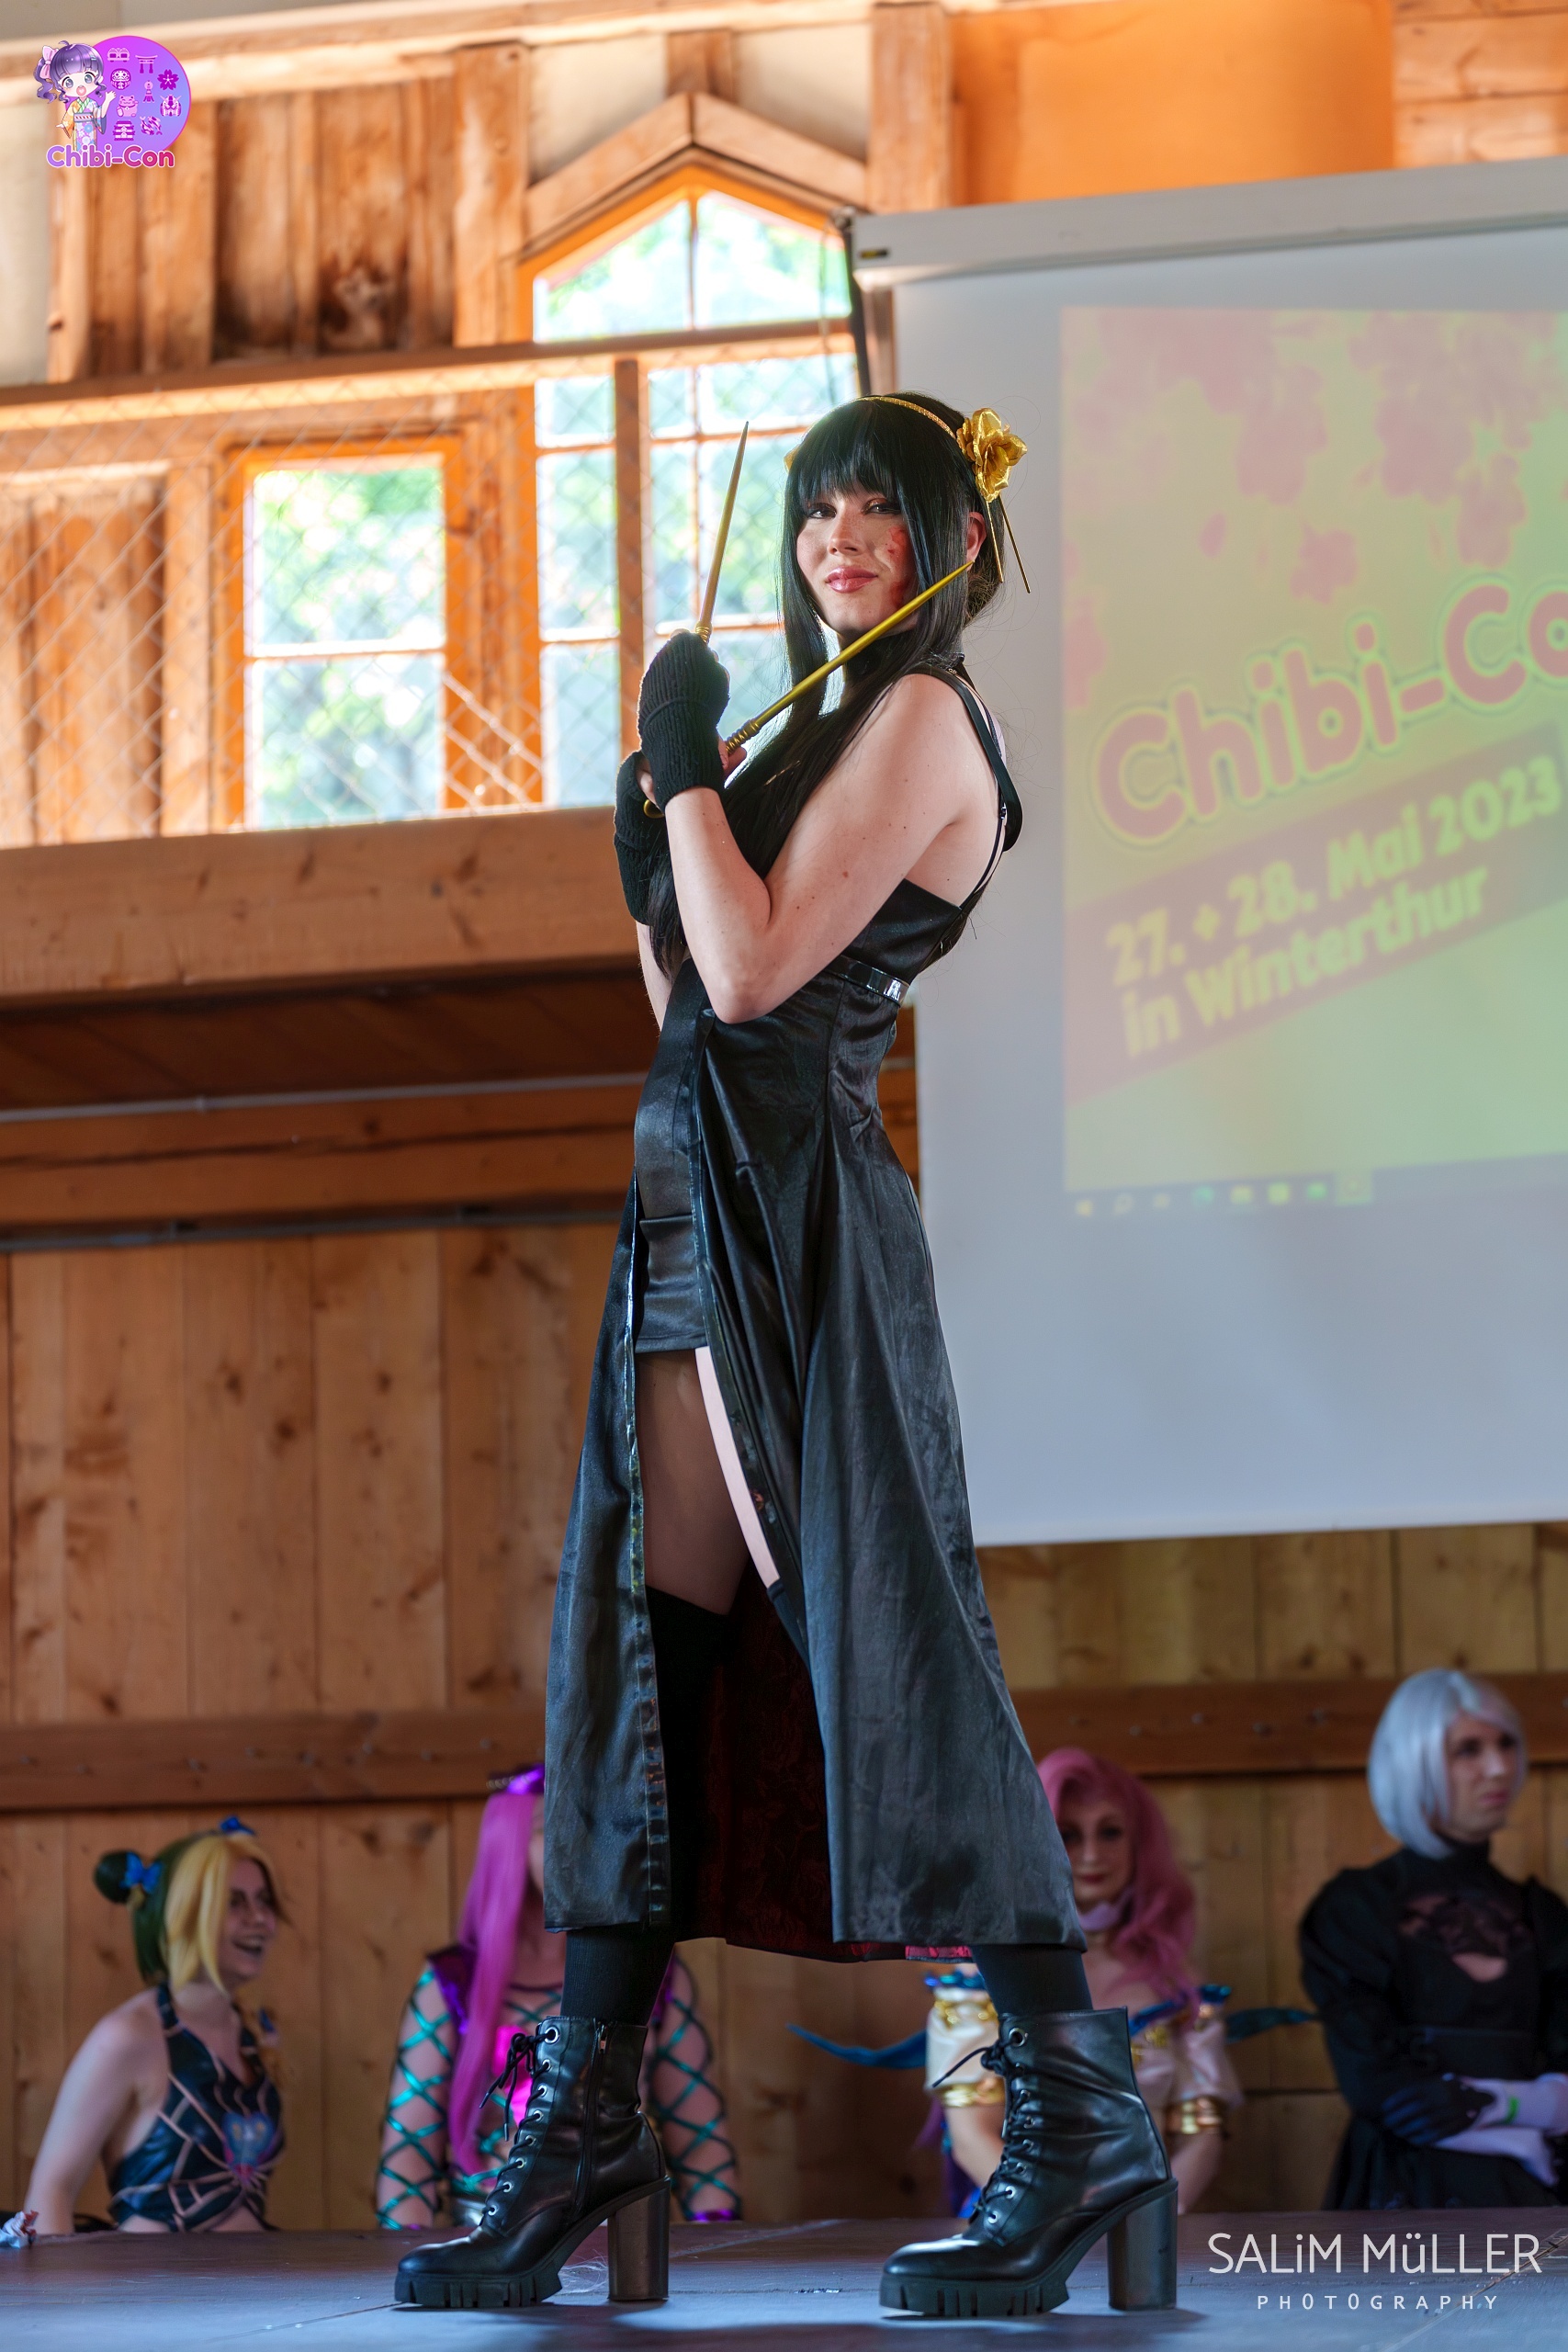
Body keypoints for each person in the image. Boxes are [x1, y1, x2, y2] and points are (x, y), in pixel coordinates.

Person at [394, 394, 1175, 2320]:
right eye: (819, 506)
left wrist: (680, 770)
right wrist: (646, 848)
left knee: (894, 1653)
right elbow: (688, 998)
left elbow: (754, 979)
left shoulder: (920, 718)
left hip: (801, 1235)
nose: (837, 533)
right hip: (694, 1217)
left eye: (875, 506)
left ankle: (1081, 2124)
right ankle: (586, 2123)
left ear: (947, 539)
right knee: (640, 1666)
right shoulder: (820, 728)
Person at [375, 1770, 739, 2228]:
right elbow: (408, 2158)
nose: (573, 1847)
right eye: (548, 1829)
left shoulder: (651, 1976)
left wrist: (717, 2249)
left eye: (588, 1829)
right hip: (486, 2237)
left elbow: (703, 2144)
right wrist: (415, 2256)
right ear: (507, 1844)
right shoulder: (451, 1984)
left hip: (618, 2237)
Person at [1301, 1668, 1568, 2209]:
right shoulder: (1356, 1908)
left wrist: (1493, 2104)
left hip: (1537, 2192)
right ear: (1413, 1762)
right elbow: (1384, 2091)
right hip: (1406, 2191)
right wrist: (1523, 2122)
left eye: (1506, 1744)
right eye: (1467, 1750)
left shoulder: (1544, 1915)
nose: (1499, 1766)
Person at [935, 1752, 1242, 2213]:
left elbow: (1204, 2133)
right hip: (1020, 2225)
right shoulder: (980, 1977)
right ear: (1033, 1840)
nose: (1092, 1855)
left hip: (1148, 2224)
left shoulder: (1177, 1981)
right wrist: (1064, 2222)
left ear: (1141, 1843)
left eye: (1111, 1832)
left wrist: (1153, 2220)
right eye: (1068, 1835)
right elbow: (970, 2137)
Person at [23, 1820, 285, 2234]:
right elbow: (49, 2192)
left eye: (264, 1901)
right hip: (154, 2276)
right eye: (233, 1903)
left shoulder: (252, 2034)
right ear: (183, 1914)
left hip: (260, 2273)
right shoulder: (129, 2038)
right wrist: (59, 2278)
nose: (260, 1919)